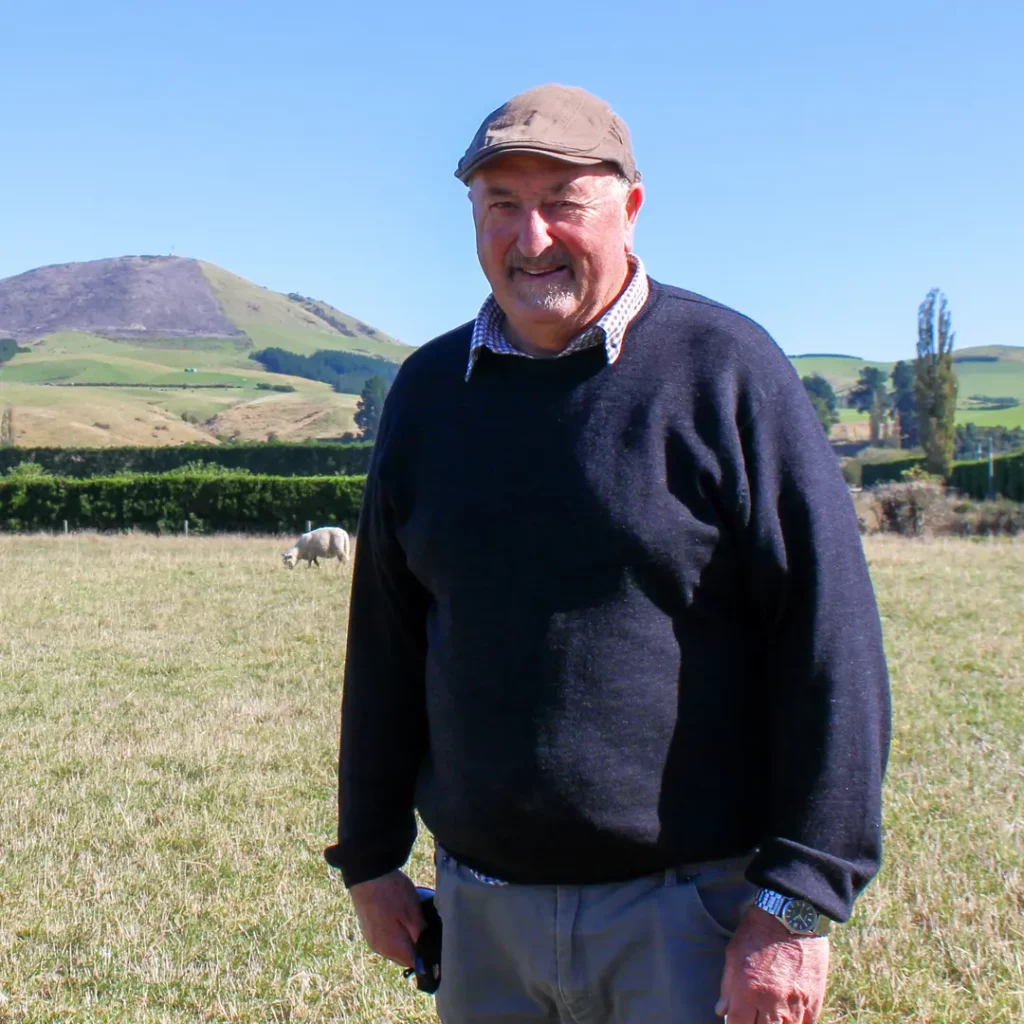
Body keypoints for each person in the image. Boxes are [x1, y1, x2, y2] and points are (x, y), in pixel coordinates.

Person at [325, 83, 890, 1024]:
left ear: (628, 209)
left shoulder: (726, 372)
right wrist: (372, 855)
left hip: (688, 915)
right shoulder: (428, 395)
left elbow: (830, 645)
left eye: (562, 202)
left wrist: (796, 903)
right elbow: (386, 636)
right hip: (479, 917)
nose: (531, 237)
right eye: (502, 204)